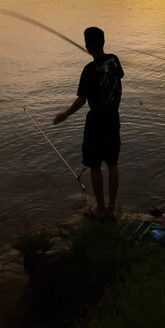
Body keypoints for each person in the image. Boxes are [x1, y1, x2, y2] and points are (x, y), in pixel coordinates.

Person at [54, 26, 124, 220]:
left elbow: (81, 100)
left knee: (95, 166)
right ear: (103, 42)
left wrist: (65, 114)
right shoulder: (114, 60)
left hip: (96, 122)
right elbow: (118, 77)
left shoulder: (89, 70)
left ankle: (101, 209)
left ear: (88, 45)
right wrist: (99, 57)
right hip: (113, 118)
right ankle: (111, 209)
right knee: (112, 163)